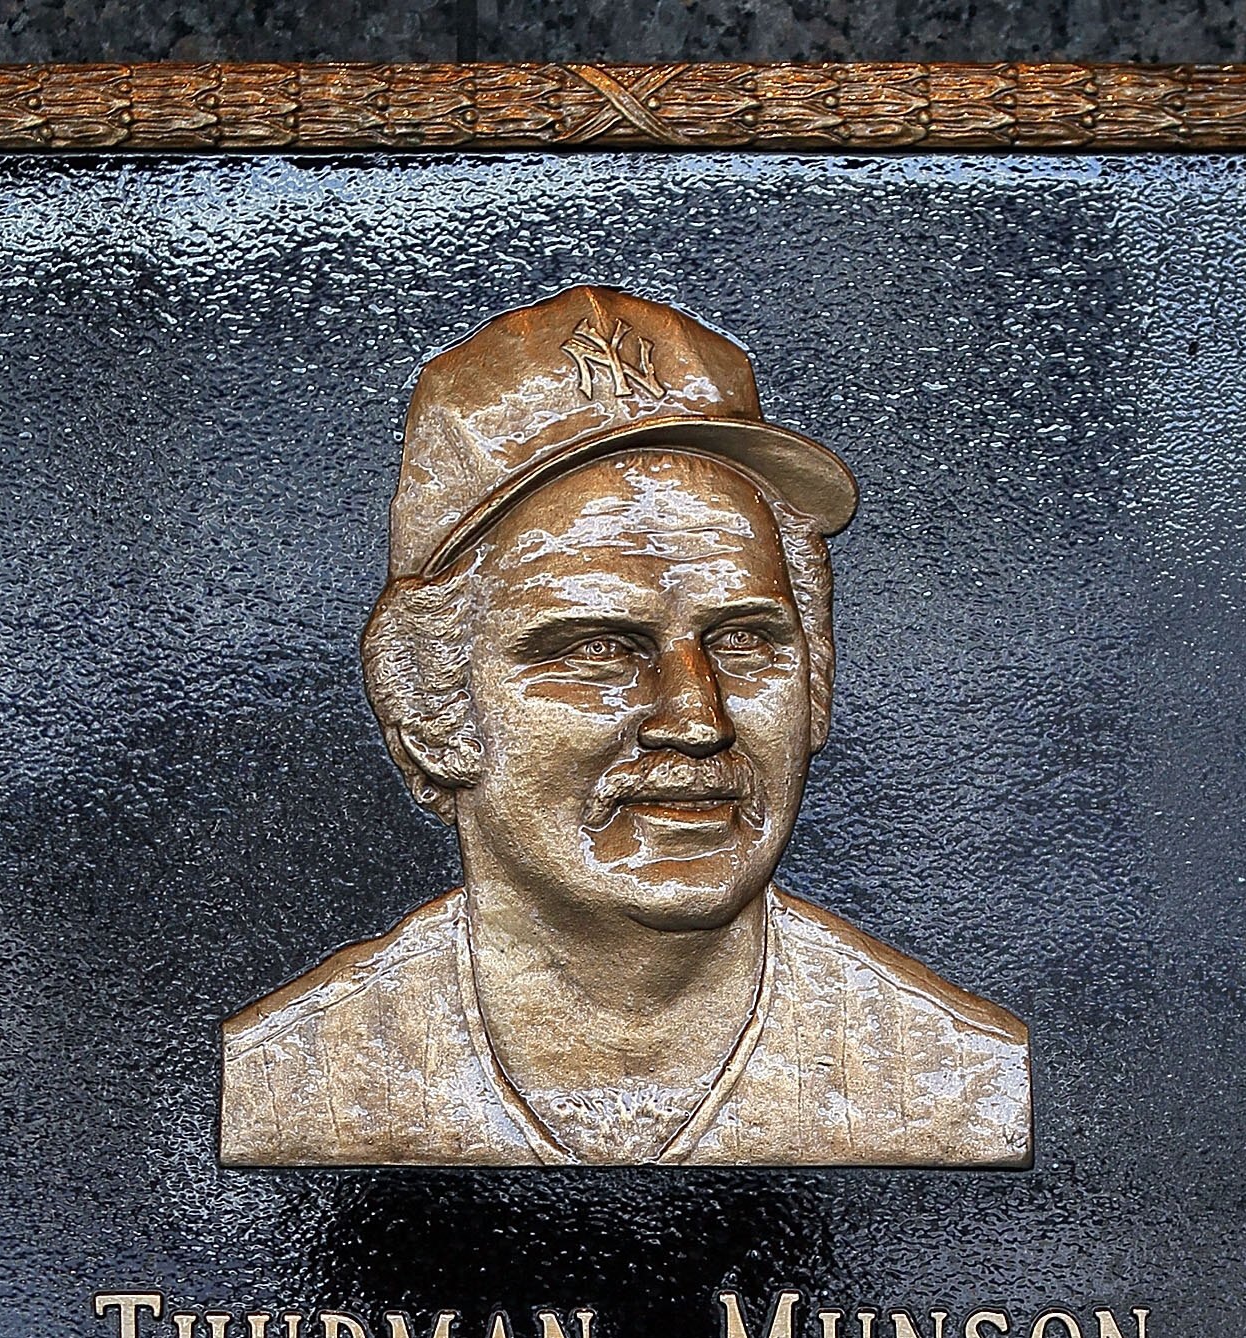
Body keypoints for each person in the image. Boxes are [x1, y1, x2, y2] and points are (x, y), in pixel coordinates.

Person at [221, 286, 1030, 1169]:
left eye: (743, 642)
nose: (695, 717)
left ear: (817, 685)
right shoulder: (286, 1081)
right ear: (428, 702)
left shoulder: (958, 1080)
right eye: (600, 649)